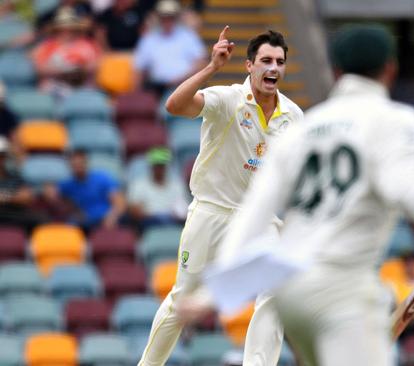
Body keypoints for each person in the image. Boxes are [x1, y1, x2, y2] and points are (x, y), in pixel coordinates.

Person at [182, 24, 414, 366]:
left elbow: (254, 211)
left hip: (291, 292)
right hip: (343, 289)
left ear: (336, 71)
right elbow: (409, 193)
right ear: (390, 69)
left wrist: (211, 293)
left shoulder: (303, 127)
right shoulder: (396, 119)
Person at [137, 27, 303, 366]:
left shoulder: (293, 116)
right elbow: (174, 105)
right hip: (212, 212)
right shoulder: (226, 98)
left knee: (275, 289)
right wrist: (211, 67)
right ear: (249, 66)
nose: (273, 68)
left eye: (279, 62)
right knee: (182, 300)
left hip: (259, 217)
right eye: (266, 61)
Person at [133, 0, 206, 96]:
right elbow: (139, 68)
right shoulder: (149, 38)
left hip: (185, 86)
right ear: (159, 18)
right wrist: (136, 92)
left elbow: (201, 63)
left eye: (170, 17)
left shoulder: (189, 36)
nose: (167, 20)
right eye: (164, 17)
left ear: (176, 18)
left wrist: (183, 79)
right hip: (156, 89)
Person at [31, 6, 101, 99]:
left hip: (81, 85)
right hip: (54, 86)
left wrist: (79, 70)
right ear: (56, 30)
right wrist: (62, 72)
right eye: (62, 29)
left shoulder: (86, 45)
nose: (66, 32)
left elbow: (95, 65)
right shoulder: (47, 46)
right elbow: (39, 69)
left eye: (70, 29)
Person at [57, 149, 126, 229]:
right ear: (70, 166)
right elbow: (61, 202)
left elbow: (119, 202)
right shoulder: (66, 185)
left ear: (86, 163)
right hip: (82, 223)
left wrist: (112, 216)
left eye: (80, 164)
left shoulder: (102, 178)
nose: (78, 167)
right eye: (74, 165)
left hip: (104, 220)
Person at [127, 147, 189, 227]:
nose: (159, 168)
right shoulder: (139, 185)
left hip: (174, 222)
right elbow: (135, 212)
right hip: (149, 223)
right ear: (151, 166)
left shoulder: (177, 186)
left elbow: (184, 211)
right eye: (156, 165)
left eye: (162, 165)